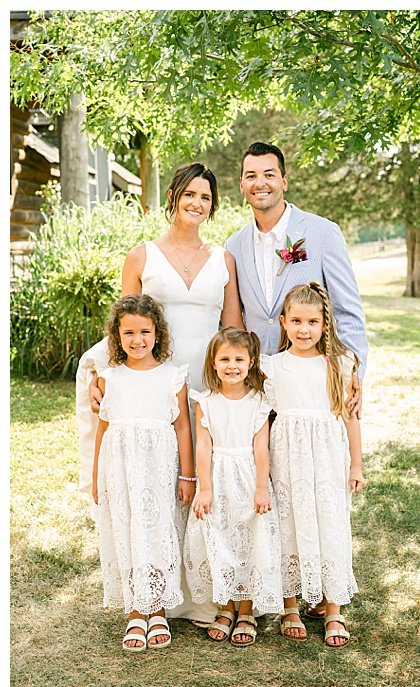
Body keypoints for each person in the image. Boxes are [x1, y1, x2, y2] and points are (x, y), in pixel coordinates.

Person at [76, 162, 242, 626]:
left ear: (213, 205)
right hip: (154, 384)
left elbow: (233, 329)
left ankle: (209, 594)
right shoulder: (142, 256)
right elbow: (121, 328)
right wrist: (99, 374)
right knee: (156, 486)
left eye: (205, 197)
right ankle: (155, 593)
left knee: (202, 482)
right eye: (189, 194)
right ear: (173, 195)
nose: (196, 203)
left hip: (207, 386)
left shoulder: (222, 260)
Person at [224, 141, 366, 412]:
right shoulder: (234, 245)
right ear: (242, 185)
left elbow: (348, 311)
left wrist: (353, 371)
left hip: (315, 382)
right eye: (251, 176)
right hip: (258, 383)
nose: (260, 183)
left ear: (284, 181)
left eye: (269, 174)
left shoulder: (322, 233)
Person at [263, 282, 366, 647]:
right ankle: (290, 604)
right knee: (289, 522)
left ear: (325, 325)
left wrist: (356, 465)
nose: (303, 330)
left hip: (326, 456)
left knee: (329, 521)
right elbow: (263, 418)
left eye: (312, 322)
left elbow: (350, 417)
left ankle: (333, 607)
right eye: (296, 321)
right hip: (287, 455)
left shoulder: (338, 363)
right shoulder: (271, 366)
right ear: (283, 322)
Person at [91, 294, 193, 652]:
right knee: (127, 529)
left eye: (144, 332)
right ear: (117, 336)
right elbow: (102, 429)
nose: (137, 340)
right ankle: (136, 610)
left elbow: (182, 428)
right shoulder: (108, 378)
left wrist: (188, 475)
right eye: (129, 332)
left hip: (159, 468)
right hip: (119, 470)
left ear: (157, 334)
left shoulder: (172, 377)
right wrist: (94, 478)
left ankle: (159, 608)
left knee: (159, 529)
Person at [184, 328, 280, 647]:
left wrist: (261, 488)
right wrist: (205, 488)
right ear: (213, 362)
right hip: (219, 478)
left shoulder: (258, 402)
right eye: (224, 358)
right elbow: (203, 448)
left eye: (239, 359)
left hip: (249, 478)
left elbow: (262, 449)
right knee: (220, 540)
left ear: (251, 362)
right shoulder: (206, 402)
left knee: (250, 541)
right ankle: (226, 607)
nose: (232, 365)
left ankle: (247, 609)